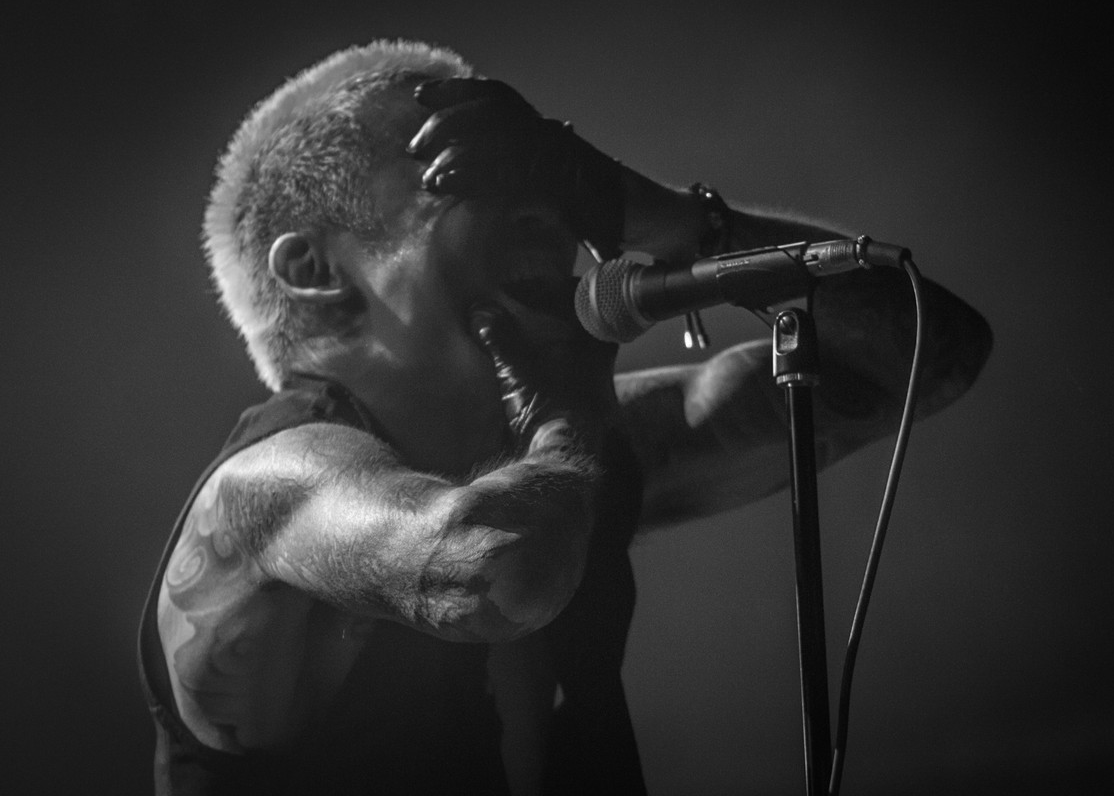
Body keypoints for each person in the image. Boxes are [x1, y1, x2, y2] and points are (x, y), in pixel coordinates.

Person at [138, 39, 991, 795]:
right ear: (315, 270)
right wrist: (568, 412)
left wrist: (654, 212)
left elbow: (930, 356)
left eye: (536, 169)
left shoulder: (563, 450)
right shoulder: (268, 489)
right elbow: (494, 574)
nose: (544, 209)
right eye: (467, 170)